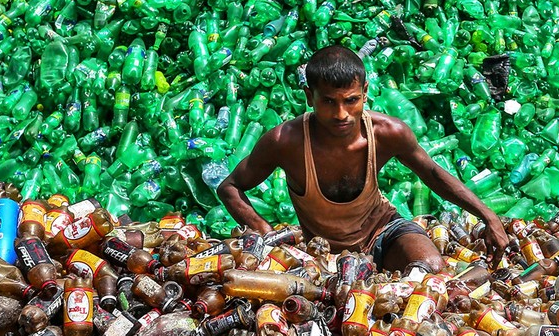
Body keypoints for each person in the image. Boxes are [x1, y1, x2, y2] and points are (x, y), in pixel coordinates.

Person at [217, 46, 510, 273]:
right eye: (329, 101)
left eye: (351, 100)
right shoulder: (285, 141)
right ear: (309, 96)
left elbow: (432, 174)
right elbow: (230, 187)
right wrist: (264, 232)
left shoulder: (387, 133)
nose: (341, 113)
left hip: (384, 231)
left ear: (365, 93)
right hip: (322, 251)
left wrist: (489, 216)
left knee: (430, 272)